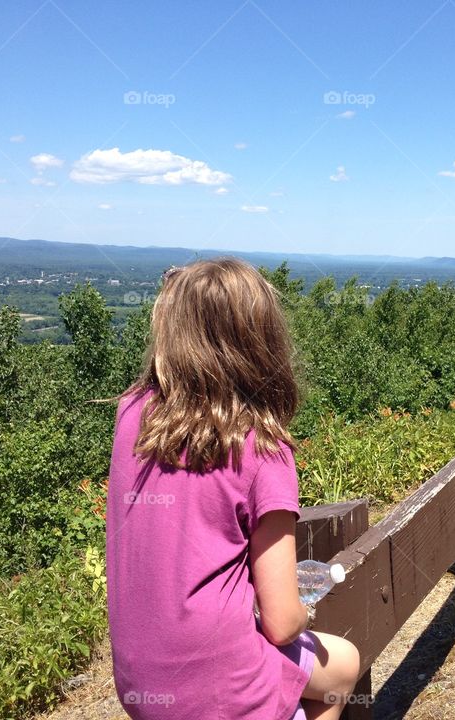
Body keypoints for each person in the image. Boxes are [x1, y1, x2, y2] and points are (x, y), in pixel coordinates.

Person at [106, 258, 360, 720]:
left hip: (140, 679)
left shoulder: (131, 416)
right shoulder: (263, 450)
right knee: (344, 666)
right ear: (263, 342)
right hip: (220, 686)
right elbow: (282, 623)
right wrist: (307, 611)